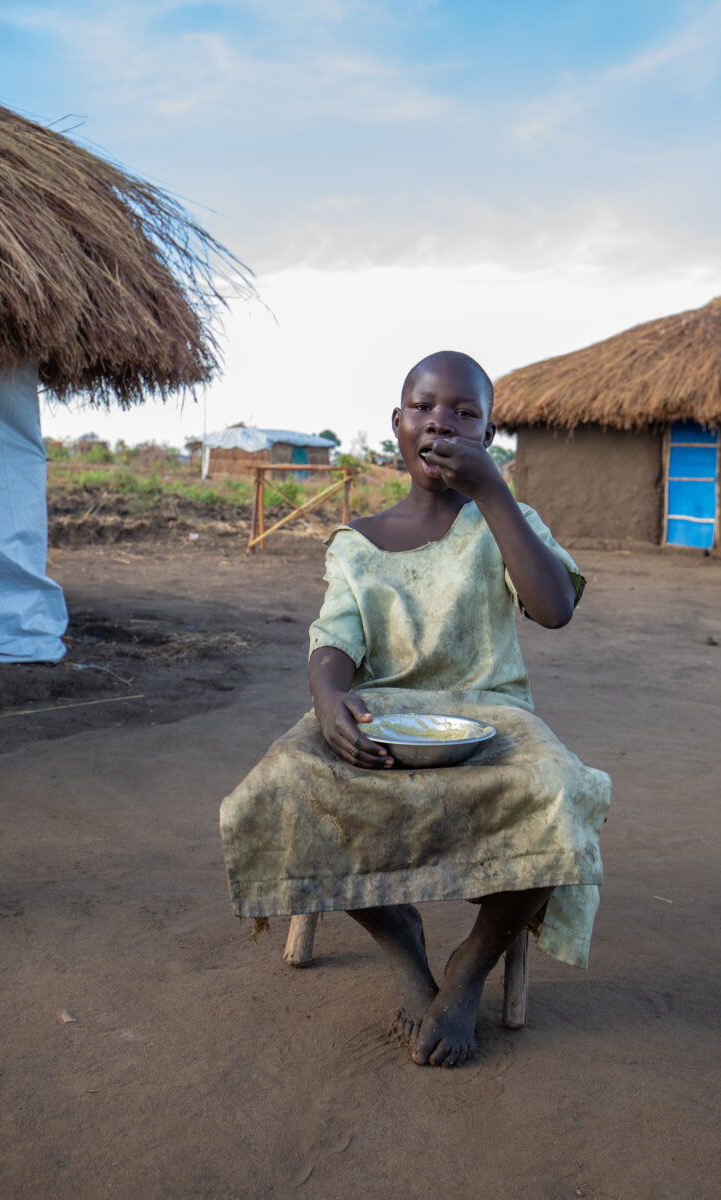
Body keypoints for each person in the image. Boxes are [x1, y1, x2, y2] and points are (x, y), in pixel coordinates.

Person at [220, 350, 611, 1068]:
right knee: (285, 785)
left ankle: (471, 965)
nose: (443, 422)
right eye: (425, 407)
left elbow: (553, 608)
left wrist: (493, 495)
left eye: (466, 414)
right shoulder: (359, 542)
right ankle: (400, 940)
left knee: (560, 791)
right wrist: (329, 696)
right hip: (384, 717)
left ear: (488, 437)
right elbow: (334, 637)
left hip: (493, 714)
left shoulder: (509, 519)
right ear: (397, 426)